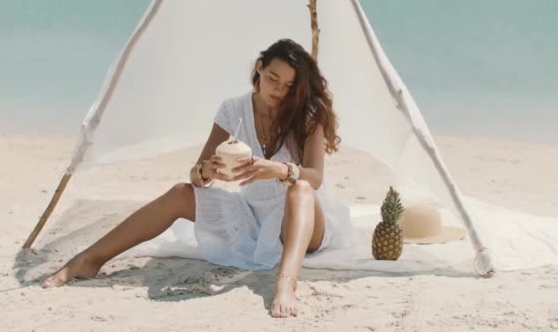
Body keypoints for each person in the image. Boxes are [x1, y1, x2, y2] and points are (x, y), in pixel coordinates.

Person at [42, 38, 351, 318]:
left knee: (301, 189)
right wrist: (206, 172)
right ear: (259, 68)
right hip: (254, 217)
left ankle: (286, 285)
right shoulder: (234, 110)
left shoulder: (306, 114)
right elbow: (196, 173)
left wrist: (281, 170)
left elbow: (315, 177)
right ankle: (89, 259)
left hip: (302, 221)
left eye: (288, 85)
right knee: (180, 192)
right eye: (273, 78)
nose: (279, 91)